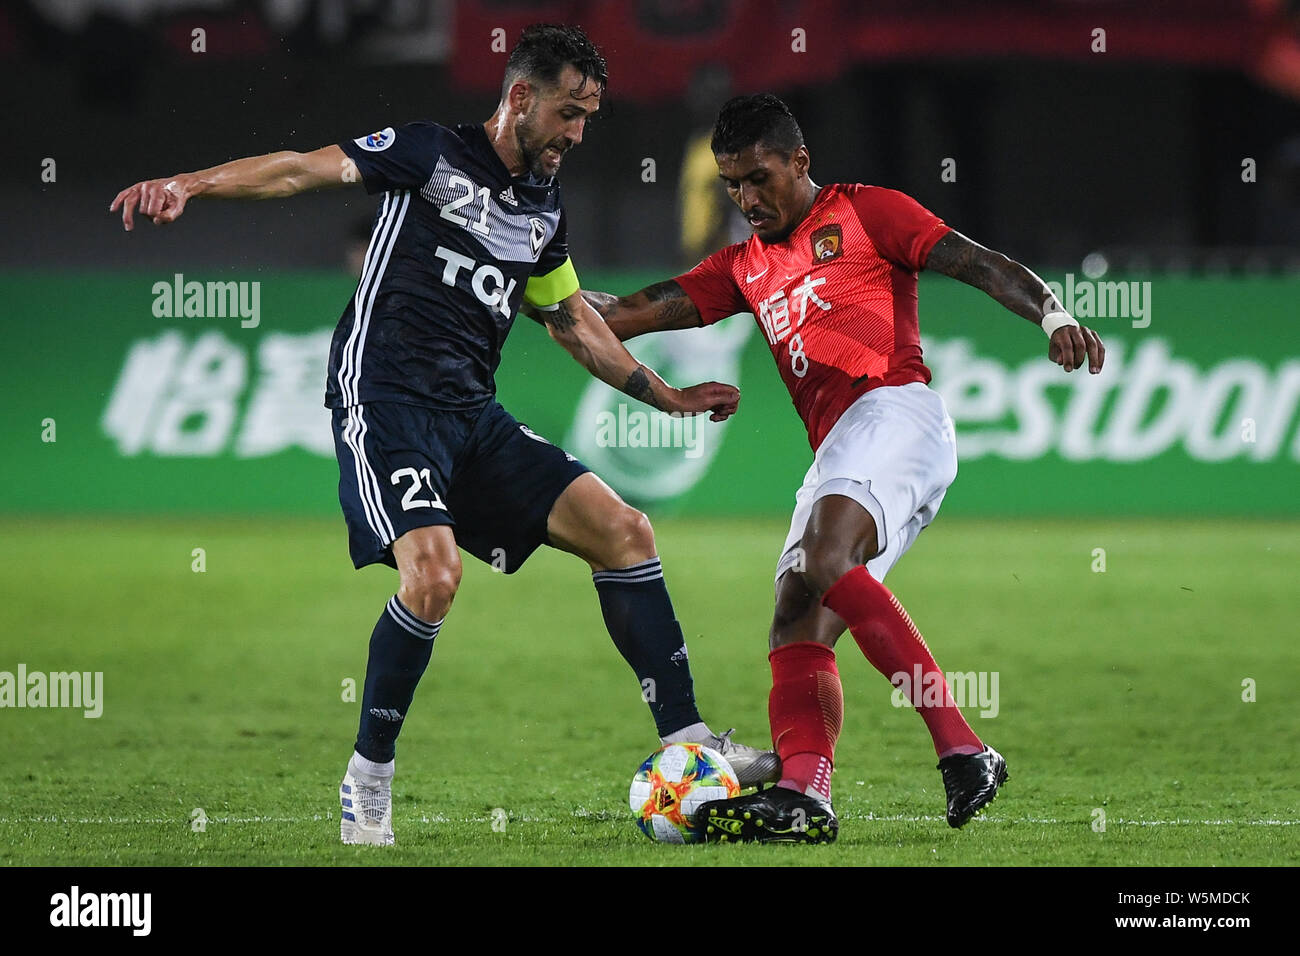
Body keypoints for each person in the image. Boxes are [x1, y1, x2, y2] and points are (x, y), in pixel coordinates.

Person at [109, 26, 778, 847]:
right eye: (569, 113)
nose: (576, 134)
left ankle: (686, 742)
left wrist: (665, 396)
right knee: (433, 576)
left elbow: (570, 319)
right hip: (385, 401)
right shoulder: (428, 155)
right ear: (522, 97)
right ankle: (369, 781)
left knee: (625, 531)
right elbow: (296, 168)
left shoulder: (543, 208)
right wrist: (189, 183)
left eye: (589, 119)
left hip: (472, 415)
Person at [586, 93, 1106, 844]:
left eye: (759, 178)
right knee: (796, 609)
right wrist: (534, 286)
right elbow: (623, 311)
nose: (746, 198)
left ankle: (963, 746)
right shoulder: (742, 266)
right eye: (731, 184)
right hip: (842, 447)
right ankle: (804, 792)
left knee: (826, 557)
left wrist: (1053, 314)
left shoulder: (866, 212)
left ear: (800, 161)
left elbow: (977, 262)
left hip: (897, 412)